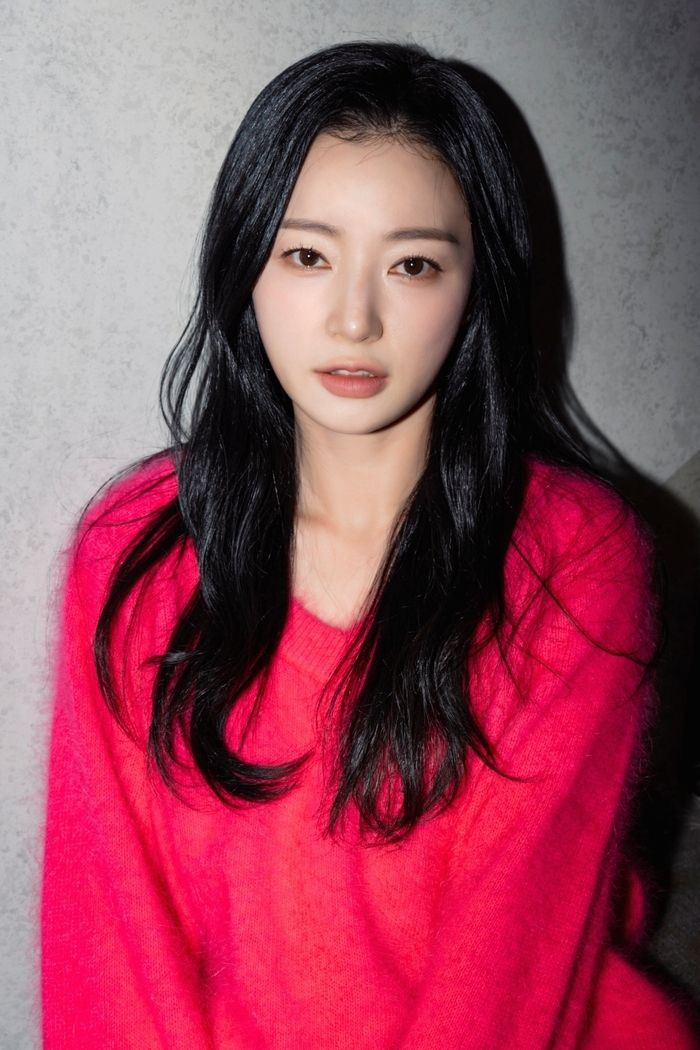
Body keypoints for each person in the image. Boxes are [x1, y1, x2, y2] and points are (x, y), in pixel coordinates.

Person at [41, 40, 698, 1049]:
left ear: (476, 287)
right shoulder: (134, 553)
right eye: (307, 256)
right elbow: (108, 948)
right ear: (244, 268)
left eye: (413, 264)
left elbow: (510, 970)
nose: (355, 319)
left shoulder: (575, 560)